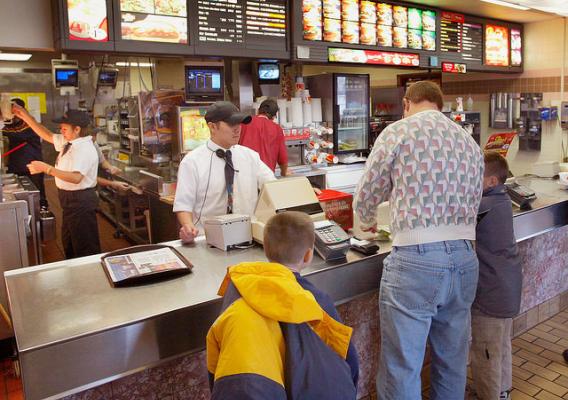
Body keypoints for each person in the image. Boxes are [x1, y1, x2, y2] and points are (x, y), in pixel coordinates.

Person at [354, 81, 484, 400]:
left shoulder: (399, 131)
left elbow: (368, 192)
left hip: (416, 259)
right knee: (452, 361)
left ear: (406, 103)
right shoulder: (467, 140)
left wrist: (367, 222)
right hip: (465, 259)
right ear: (439, 104)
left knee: (403, 366)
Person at [206, 211, 359, 399]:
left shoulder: (236, 295)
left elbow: (216, 364)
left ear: (266, 249)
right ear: (308, 255)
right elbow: (345, 355)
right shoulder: (315, 302)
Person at [173, 101, 275, 243]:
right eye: (232, 124)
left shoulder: (250, 156)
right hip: (207, 240)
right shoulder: (192, 162)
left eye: (239, 123)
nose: (237, 129)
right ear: (212, 127)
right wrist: (187, 226)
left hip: (248, 236)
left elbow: (272, 186)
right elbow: (183, 204)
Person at [12, 105, 101, 259]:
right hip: (68, 200)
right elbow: (46, 134)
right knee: (70, 244)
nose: (61, 131)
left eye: (64, 128)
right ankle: (76, 276)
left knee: (85, 248)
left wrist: (46, 169)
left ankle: (91, 278)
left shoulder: (84, 148)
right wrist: (25, 116)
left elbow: (76, 178)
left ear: (77, 129)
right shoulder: (70, 142)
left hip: (80, 200)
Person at [470, 151, 522, 400]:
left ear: (491, 181)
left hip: (490, 294)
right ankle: (502, 391)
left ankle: (489, 394)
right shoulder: (502, 200)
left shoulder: (483, 206)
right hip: (507, 289)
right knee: (501, 346)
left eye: (475, 176)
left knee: (486, 350)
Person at [1, 98, 48, 208]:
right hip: (15, 166)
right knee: (23, 195)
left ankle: (42, 210)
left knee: (37, 193)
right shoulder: (9, 125)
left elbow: (17, 136)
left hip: (33, 166)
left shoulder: (30, 124)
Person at [239, 98, 289, 176]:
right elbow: (283, 158)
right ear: (273, 117)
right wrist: (284, 172)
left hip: (245, 174)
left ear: (258, 110)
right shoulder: (277, 128)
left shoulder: (245, 122)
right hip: (266, 176)